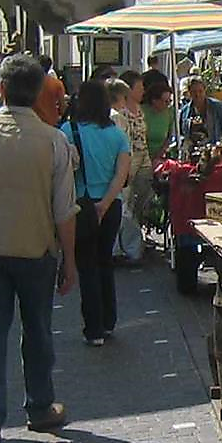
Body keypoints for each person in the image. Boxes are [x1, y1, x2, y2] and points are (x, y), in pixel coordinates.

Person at [0, 57, 79, 443]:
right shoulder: (53, 141)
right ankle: (40, 406)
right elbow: (64, 210)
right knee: (37, 329)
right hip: (34, 248)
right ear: (39, 92)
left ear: (0, 89)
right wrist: (69, 261)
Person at [64, 78, 133, 346]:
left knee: (87, 265)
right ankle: (108, 320)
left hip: (80, 204)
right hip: (110, 205)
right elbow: (122, 174)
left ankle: (93, 328)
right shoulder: (117, 134)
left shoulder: (68, 131)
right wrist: (106, 202)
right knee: (105, 261)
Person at [105, 76, 150, 262]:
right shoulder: (117, 118)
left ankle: (117, 248)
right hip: (121, 167)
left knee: (121, 209)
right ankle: (131, 249)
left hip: (112, 167)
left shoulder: (110, 116)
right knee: (124, 210)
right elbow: (124, 147)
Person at [178, 76, 222, 153]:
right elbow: (181, 135)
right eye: (194, 92)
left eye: (200, 91)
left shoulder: (218, 107)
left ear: (205, 91)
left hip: (214, 151)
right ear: (189, 92)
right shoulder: (184, 112)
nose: (197, 95)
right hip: (193, 152)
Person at [140, 70, 176, 161]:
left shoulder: (170, 112)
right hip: (142, 157)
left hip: (161, 157)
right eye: (165, 101)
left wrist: (158, 157)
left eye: (170, 101)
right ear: (154, 101)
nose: (168, 104)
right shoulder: (141, 111)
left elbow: (170, 137)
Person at [33, 55, 68, 128]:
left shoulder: (31, 82)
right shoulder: (57, 83)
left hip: (34, 121)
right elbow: (62, 108)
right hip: (51, 122)